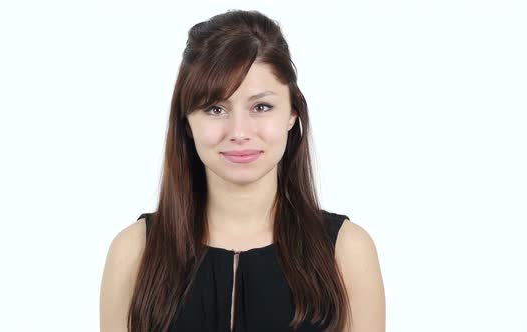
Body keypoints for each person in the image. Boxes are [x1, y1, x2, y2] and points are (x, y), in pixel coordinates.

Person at [100, 9, 384, 332]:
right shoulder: (133, 254)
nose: (239, 131)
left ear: (292, 113)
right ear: (187, 121)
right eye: (215, 108)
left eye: (261, 107)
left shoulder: (347, 254)